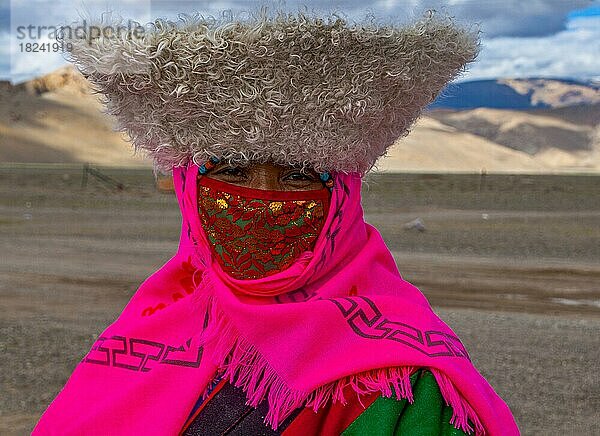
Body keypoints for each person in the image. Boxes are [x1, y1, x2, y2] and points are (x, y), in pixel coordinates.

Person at [33, 6, 519, 435]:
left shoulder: (404, 376)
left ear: (343, 198)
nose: (264, 199)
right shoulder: (149, 329)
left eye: (301, 175)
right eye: (232, 171)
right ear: (186, 188)